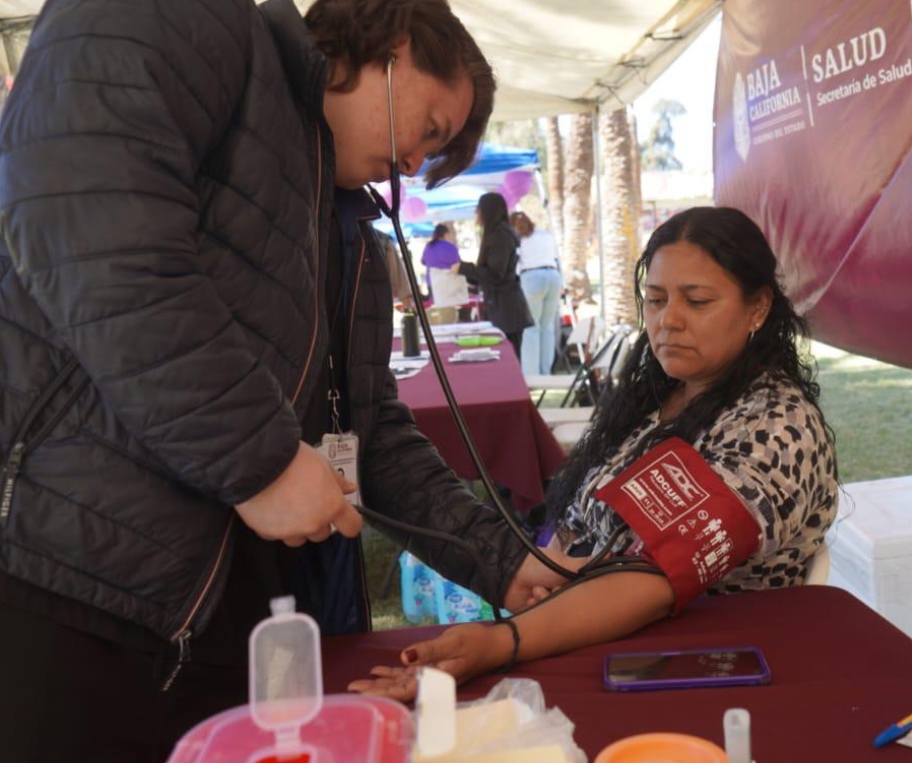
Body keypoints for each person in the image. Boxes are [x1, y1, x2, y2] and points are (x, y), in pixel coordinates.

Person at [0, 0, 567, 763]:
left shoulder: (350, 243)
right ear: (399, 43)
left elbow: (367, 432)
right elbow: (88, 215)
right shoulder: (197, 22)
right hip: (5, 568)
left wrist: (504, 561)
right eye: (433, 129)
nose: (415, 165)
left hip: (182, 626)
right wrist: (263, 461)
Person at [350, 206, 839, 700]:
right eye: (655, 299)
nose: (669, 320)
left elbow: (654, 574)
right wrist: (543, 581)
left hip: (700, 672)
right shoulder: (660, 394)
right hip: (593, 639)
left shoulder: (776, 428)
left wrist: (502, 640)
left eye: (697, 301)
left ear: (758, 308)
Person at [457, 192, 534, 357]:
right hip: (501, 307)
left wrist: (464, 269)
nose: (476, 214)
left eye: (478, 210)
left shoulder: (500, 235)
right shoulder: (497, 234)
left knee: (509, 358)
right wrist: (471, 277)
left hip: (507, 310)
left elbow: (495, 274)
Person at [511, 211, 563, 376]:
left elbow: (515, 265)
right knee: (547, 327)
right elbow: (555, 257)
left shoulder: (519, 239)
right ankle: (545, 372)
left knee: (531, 328)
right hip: (553, 276)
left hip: (532, 277)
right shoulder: (545, 235)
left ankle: (531, 374)